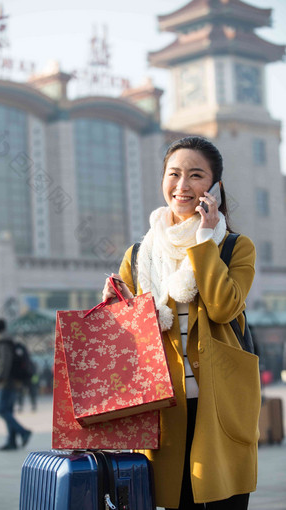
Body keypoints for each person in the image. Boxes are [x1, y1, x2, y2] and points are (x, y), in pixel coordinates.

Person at [102, 136, 260, 509]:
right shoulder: (141, 254)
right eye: (174, 174)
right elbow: (125, 337)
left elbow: (224, 307)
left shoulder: (235, 247)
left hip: (220, 404)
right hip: (161, 409)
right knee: (172, 500)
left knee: (223, 498)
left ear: (215, 187)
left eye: (195, 175)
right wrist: (113, 304)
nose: (182, 185)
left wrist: (204, 241)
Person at [0, 318, 32, 451]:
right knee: (8, 411)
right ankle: (11, 441)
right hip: (13, 382)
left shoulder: (3, 343)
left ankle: (24, 432)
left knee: (1, 410)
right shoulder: (10, 342)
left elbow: (4, 363)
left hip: (6, 382)